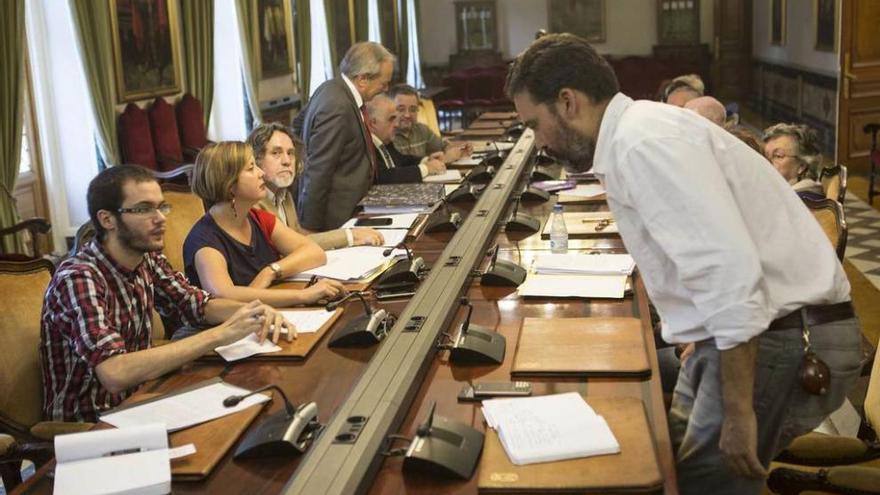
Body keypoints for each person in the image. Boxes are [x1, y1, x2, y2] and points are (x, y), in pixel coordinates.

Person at [506, 33, 860, 495]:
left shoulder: (643, 144)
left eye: (534, 124)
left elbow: (730, 278)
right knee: (672, 463)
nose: (537, 142)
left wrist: (737, 413)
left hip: (784, 337)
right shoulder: (635, 134)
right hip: (751, 333)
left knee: (704, 486)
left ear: (567, 102)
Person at [40, 165, 295, 423]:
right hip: (94, 424)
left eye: (161, 207)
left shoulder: (146, 258)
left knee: (260, 407)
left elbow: (197, 304)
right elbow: (114, 372)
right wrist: (220, 334)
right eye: (143, 209)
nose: (161, 218)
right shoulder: (78, 278)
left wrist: (254, 310)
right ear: (107, 220)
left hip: (144, 398)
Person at [183, 141, 345, 307]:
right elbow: (224, 296)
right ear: (229, 183)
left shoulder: (257, 218)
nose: (261, 173)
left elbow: (314, 252)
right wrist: (302, 296)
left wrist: (270, 272)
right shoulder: (204, 240)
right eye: (251, 168)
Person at [295, 42, 395, 231]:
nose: (387, 88)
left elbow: (297, 126)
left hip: (353, 212)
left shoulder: (330, 88)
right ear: (363, 79)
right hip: (336, 219)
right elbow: (319, 170)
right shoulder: (338, 106)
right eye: (383, 83)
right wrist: (310, 229)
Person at [246, 122, 384, 249]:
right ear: (256, 159)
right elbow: (290, 246)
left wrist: (351, 236)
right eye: (276, 153)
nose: (287, 161)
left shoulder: (284, 194)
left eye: (290, 153)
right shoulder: (253, 202)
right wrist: (350, 236)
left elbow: (299, 237)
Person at [365, 94, 448, 184]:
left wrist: (426, 160)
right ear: (373, 123)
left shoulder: (385, 142)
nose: (396, 124)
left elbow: (403, 160)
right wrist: (426, 169)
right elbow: (384, 176)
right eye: (391, 119)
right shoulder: (366, 146)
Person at [387, 84, 472, 163]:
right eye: (401, 109)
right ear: (389, 109)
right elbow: (400, 167)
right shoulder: (387, 137)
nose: (407, 115)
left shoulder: (421, 130)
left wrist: (460, 150)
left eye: (413, 109)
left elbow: (443, 146)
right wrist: (444, 159)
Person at [762, 123, 825, 198]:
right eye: (765, 156)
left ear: (802, 166)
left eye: (778, 156)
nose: (767, 162)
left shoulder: (805, 201)